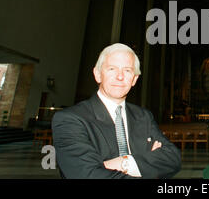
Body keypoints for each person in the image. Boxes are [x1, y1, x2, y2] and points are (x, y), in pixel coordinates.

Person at [52, 43, 182, 178]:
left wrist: (124, 163)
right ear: (98, 75)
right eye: (112, 69)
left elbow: (173, 158)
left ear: (134, 79)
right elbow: (87, 175)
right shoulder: (70, 119)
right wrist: (147, 164)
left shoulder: (143, 116)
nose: (120, 77)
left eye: (127, 70)